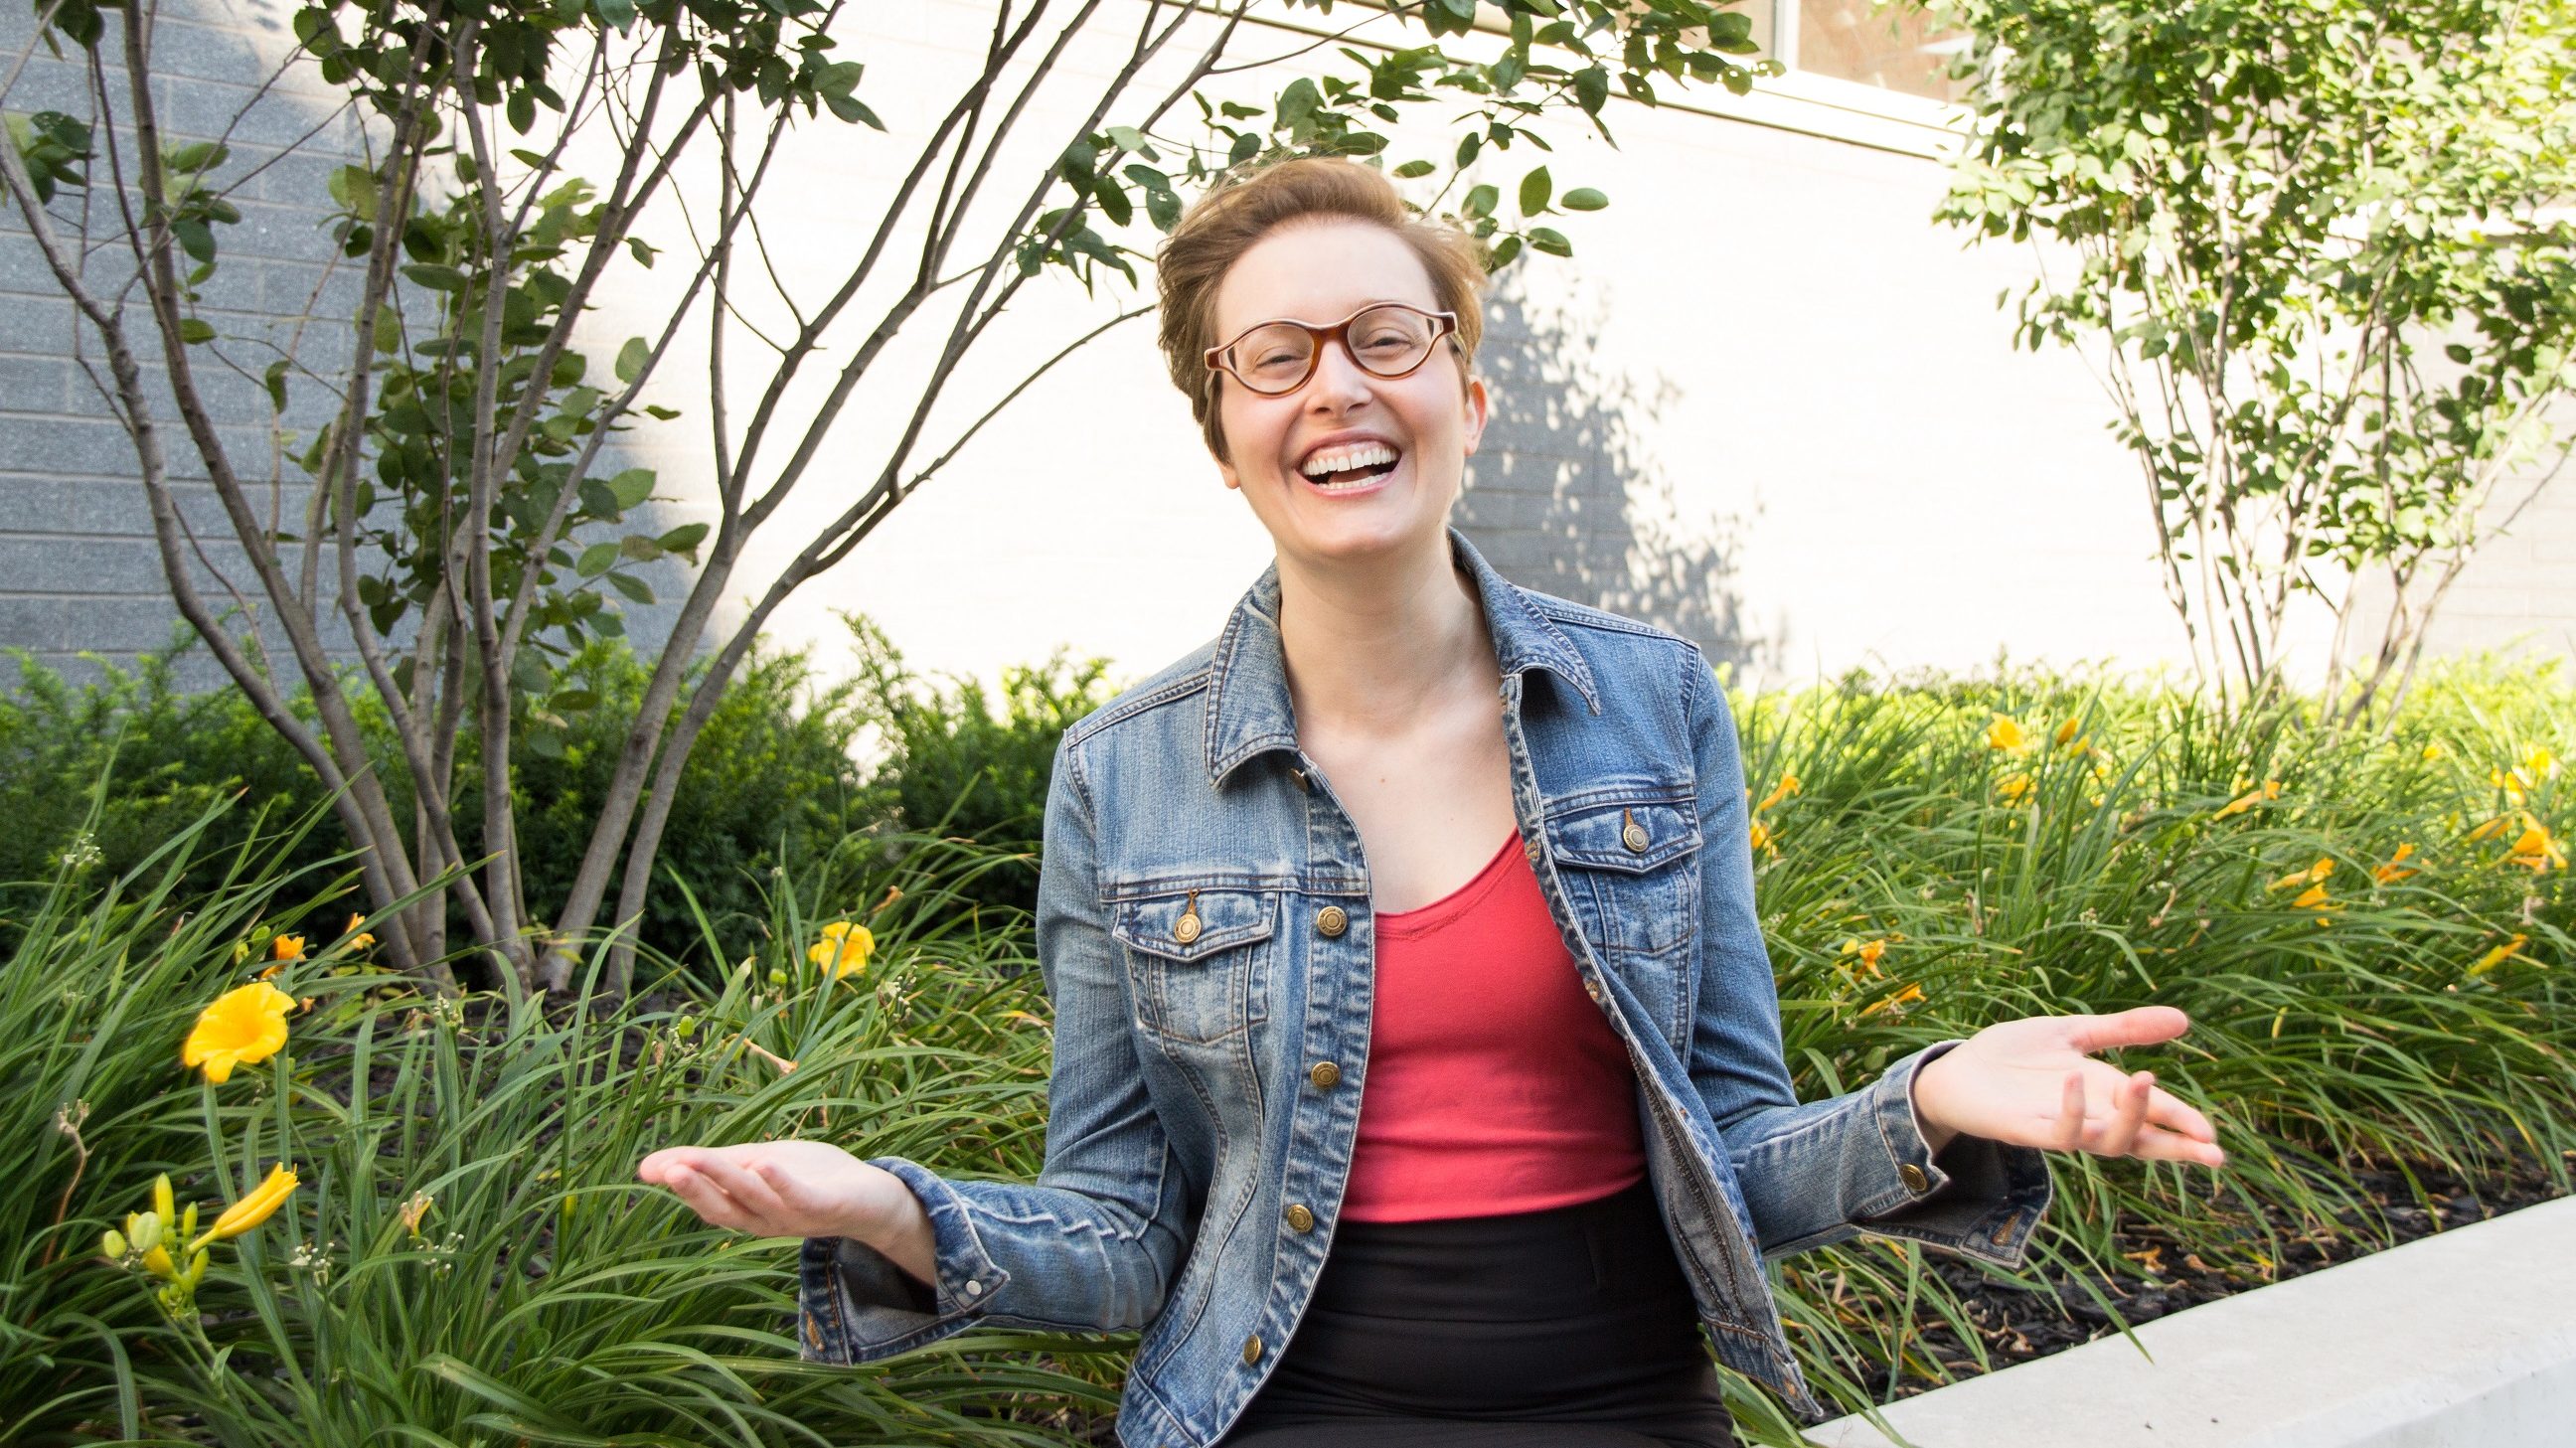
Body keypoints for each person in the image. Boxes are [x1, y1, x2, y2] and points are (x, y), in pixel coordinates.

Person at [637, 155, 2229, 1448]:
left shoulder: (1652, 702)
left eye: (1386, 338)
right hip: (1278, 1412)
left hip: (1623, 1402)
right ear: (1227, 440)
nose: (1335, 387)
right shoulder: (1121, 773)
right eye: (1275, 358)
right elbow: (1126, 1235)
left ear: (1466, 400)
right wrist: (891, 1211)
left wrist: (1928, 1098)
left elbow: (1734, 1157)